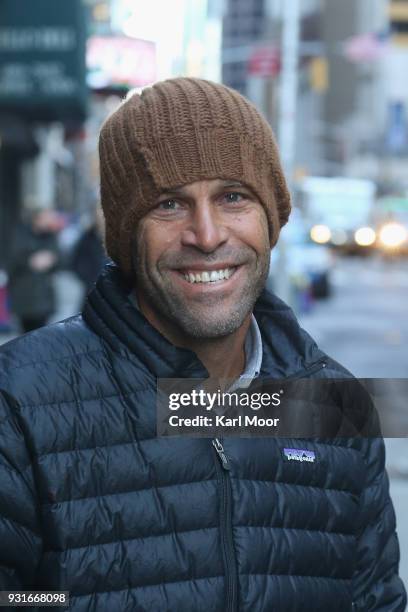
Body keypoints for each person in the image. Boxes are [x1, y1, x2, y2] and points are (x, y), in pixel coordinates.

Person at [0, 78, 405, 612]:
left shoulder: (335, 404)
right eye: (169, 205)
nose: (208, 234)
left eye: (233, 197)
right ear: (125, 235)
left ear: (272, 216)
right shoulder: (19, 402)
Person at [7, 208, 59, 333]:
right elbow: (12, 260)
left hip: (44, 296)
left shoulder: (51, 237)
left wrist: (52, 260)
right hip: (24, 296)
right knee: (25, 335)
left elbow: (61, 260)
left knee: (41, 335)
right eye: (47, 218)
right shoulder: (21, 235)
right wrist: (31, 261)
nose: (50, 221)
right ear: (37, 219)